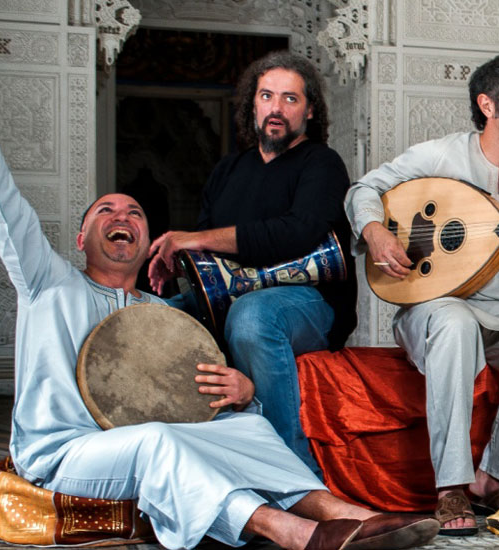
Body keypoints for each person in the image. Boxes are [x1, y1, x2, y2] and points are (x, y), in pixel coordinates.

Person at [0, 19, 436, 550]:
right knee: (161, 438)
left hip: (280, 320)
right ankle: (295, 534)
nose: (121, 215)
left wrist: (246, 394)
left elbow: (188, 393)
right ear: (81, 238)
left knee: (245, 427)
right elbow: (1, 205)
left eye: (134, 213)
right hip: (66, 449)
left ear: (149, 242)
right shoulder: (48, 284)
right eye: (106, 211)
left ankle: (351, 516)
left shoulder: (159, 318)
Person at [344, 53, 499, 536]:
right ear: (488, 105)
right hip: (435, 307)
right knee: (455, 321)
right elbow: (363, 189)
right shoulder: (440, 155)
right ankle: (451, 486)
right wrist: (375, 231)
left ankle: (498, 478)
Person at [146, 50, 357, 475]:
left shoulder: (322, 163)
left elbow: (295, 234)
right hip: (229, 295)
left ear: (310, 110)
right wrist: (183, 261)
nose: (276, 108)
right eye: (266, 96)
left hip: (309, 302)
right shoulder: (228, 170)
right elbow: (209, 253)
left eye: (290, 98)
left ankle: (291, 472)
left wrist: (195, 238)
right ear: (252, 104)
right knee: (150, 315)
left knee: (252, 316)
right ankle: (165, 460)